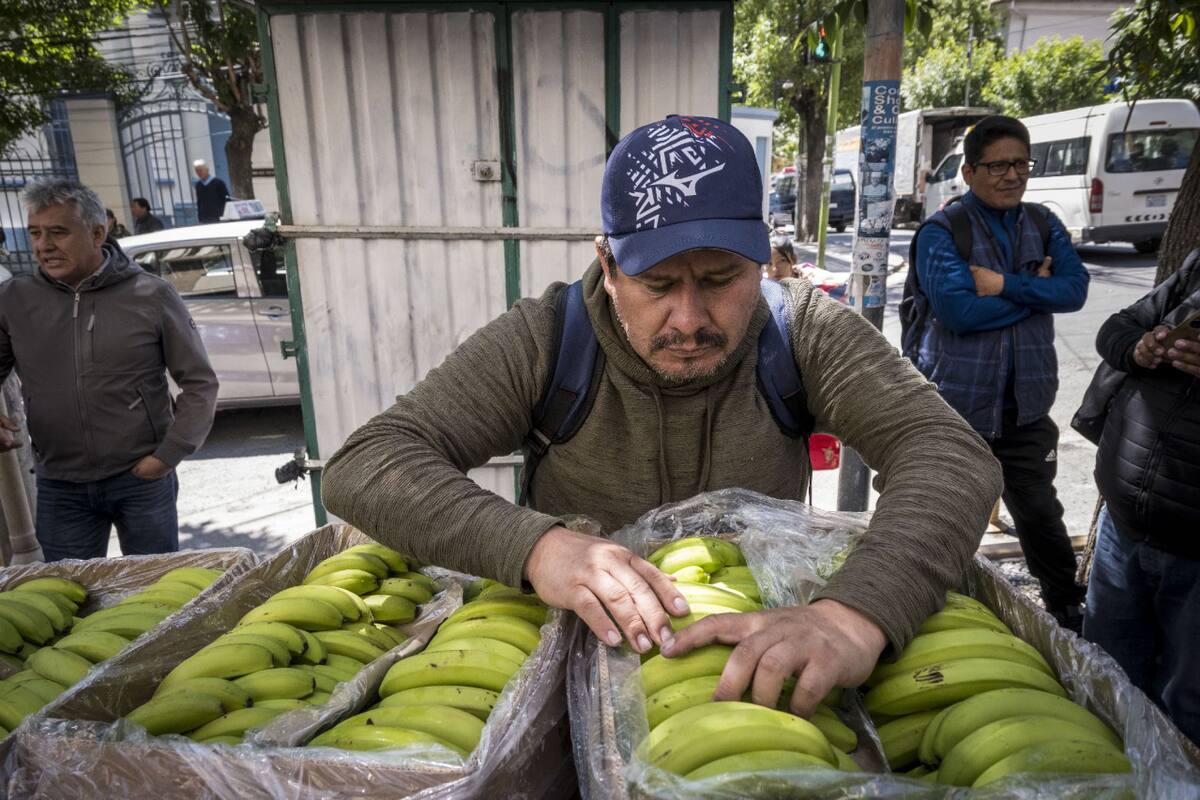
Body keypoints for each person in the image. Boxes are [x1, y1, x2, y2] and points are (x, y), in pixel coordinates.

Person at [321, 115, 1002, 716]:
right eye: (656, 284)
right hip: (576, 671)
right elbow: (368, 463)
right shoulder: (547, 340)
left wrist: (854, 616)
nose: (688, 319)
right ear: (607, 263)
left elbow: (946, 453)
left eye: (719, 281)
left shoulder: (804, 334)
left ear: (762, 258)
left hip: (759, 668)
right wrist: (539, 548)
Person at [908, 115, 1090, 631]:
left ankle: (1067, 610)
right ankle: (920, 612)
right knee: (939, 516)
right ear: (968, 172)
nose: (1012, 175)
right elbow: (959, 314)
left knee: (1039, 514)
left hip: (1026, 407)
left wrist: (1002, 285)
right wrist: (1034, 292)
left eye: (1020, 164)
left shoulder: (1042, 223)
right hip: (955, 406)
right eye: (997, 166)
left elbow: (1075, 292)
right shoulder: (943, 232)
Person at [0, 178, 219, 561]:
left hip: (141, 477)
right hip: (59, 483)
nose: (43, 245)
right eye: (35, 233)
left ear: (98, 232)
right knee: (67, 598)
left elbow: (199, 383)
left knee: (152, 594)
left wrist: (169, 454)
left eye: (58, 232)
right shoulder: (15, 300)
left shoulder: (150, 295)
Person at [1081, 247, 1200, 745]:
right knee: (1107, 682)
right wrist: (1140, 349)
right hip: (1125, 525)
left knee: (1186, 711)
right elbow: (1116, 328)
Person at [192, 160, 231, 224]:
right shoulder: (198, 185)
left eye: (200, 170)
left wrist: (225, 216)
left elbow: (226, 200)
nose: (199, 173)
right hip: (205, 218)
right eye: (197, 171)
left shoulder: (218, 183)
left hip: (218, 217)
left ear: (207, 170)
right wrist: (200, 217)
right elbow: (199, 202)